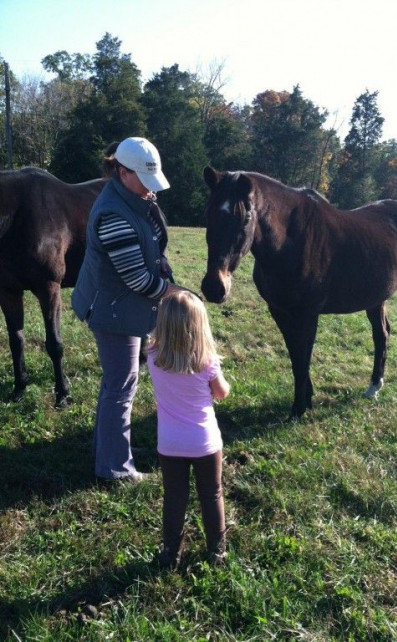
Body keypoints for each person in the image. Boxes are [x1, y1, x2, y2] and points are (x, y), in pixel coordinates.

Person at [72, 136, 184, 481]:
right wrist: (175, 292)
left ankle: (105, 452)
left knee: (116, 384)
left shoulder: (132, 197)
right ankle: (114, 469)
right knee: (122, 386)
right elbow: (137, 279)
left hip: (120, 305)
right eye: (144, 181)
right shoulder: (113, 216)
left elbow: (150, 242)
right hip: (112, 311)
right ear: (122, 173)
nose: (151, 190)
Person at [146, 290, 230, 568]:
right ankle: (217, 551)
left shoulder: (153, 357)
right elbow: (221, 393)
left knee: (174, 496)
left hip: (169, 443)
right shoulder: (207, 362)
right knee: (211, 493)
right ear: (199, 325)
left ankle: (171, 552)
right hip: (205, 443)